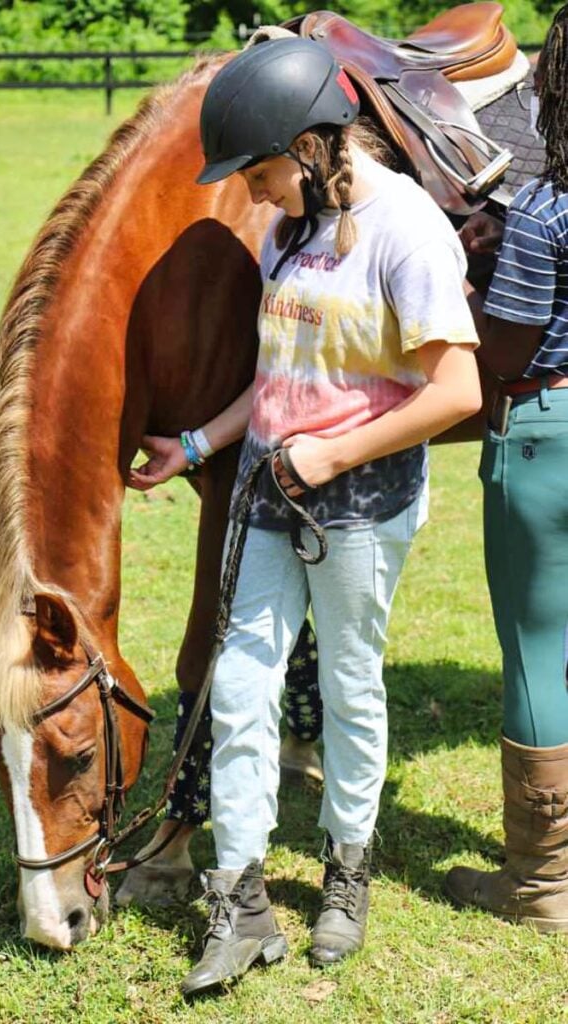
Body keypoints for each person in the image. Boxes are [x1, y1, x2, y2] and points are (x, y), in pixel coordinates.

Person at [129, 37, 481, 994]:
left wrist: (331, 452)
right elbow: (280, 373)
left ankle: (345, 871)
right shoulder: (289, 227)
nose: (250, 192)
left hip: (358, 508)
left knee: (349, 685)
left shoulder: (408, 231)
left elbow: (455, 391)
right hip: (265, 493)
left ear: (312, 145)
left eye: (258, 171)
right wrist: (199, 443)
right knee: (242, 686)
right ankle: (240, 899)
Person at [445, 4, 568, 933]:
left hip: (546, 433)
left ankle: (539, 883)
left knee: (536, 652)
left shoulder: (542, 209)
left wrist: (464, 292)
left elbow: (505, 353)